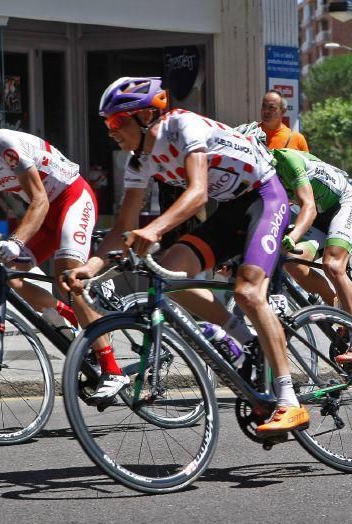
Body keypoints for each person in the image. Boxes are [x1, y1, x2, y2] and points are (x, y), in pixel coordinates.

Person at [67, 76, 307, 434]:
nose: (111, 131)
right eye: (107, 124)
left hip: (265, 197)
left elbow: (196, 194)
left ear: (147, 115)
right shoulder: (139, 163)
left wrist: (154, 230)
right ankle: (244, 338)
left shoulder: (183, 125)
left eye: (117, 121)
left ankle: (290, 401)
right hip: (229, 208)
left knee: (247, 291)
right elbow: (122, 228)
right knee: (169, 274)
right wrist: (89, 267)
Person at [0, 99, 124, 400]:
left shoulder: (3, 143)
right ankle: (75, 320)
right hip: (42, 215)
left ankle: (113, 370)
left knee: (67, 277)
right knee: (11, 279)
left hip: (70, 199)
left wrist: (15, 242)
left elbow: (40, 199)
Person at [261, 142, 352, 362]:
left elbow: (308, 207)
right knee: (292, 261)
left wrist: (292, 237)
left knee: (333, 265)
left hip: (345, 203)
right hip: (321, 217)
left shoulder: (287, 161)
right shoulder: (260, 176)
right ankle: (334, 304)